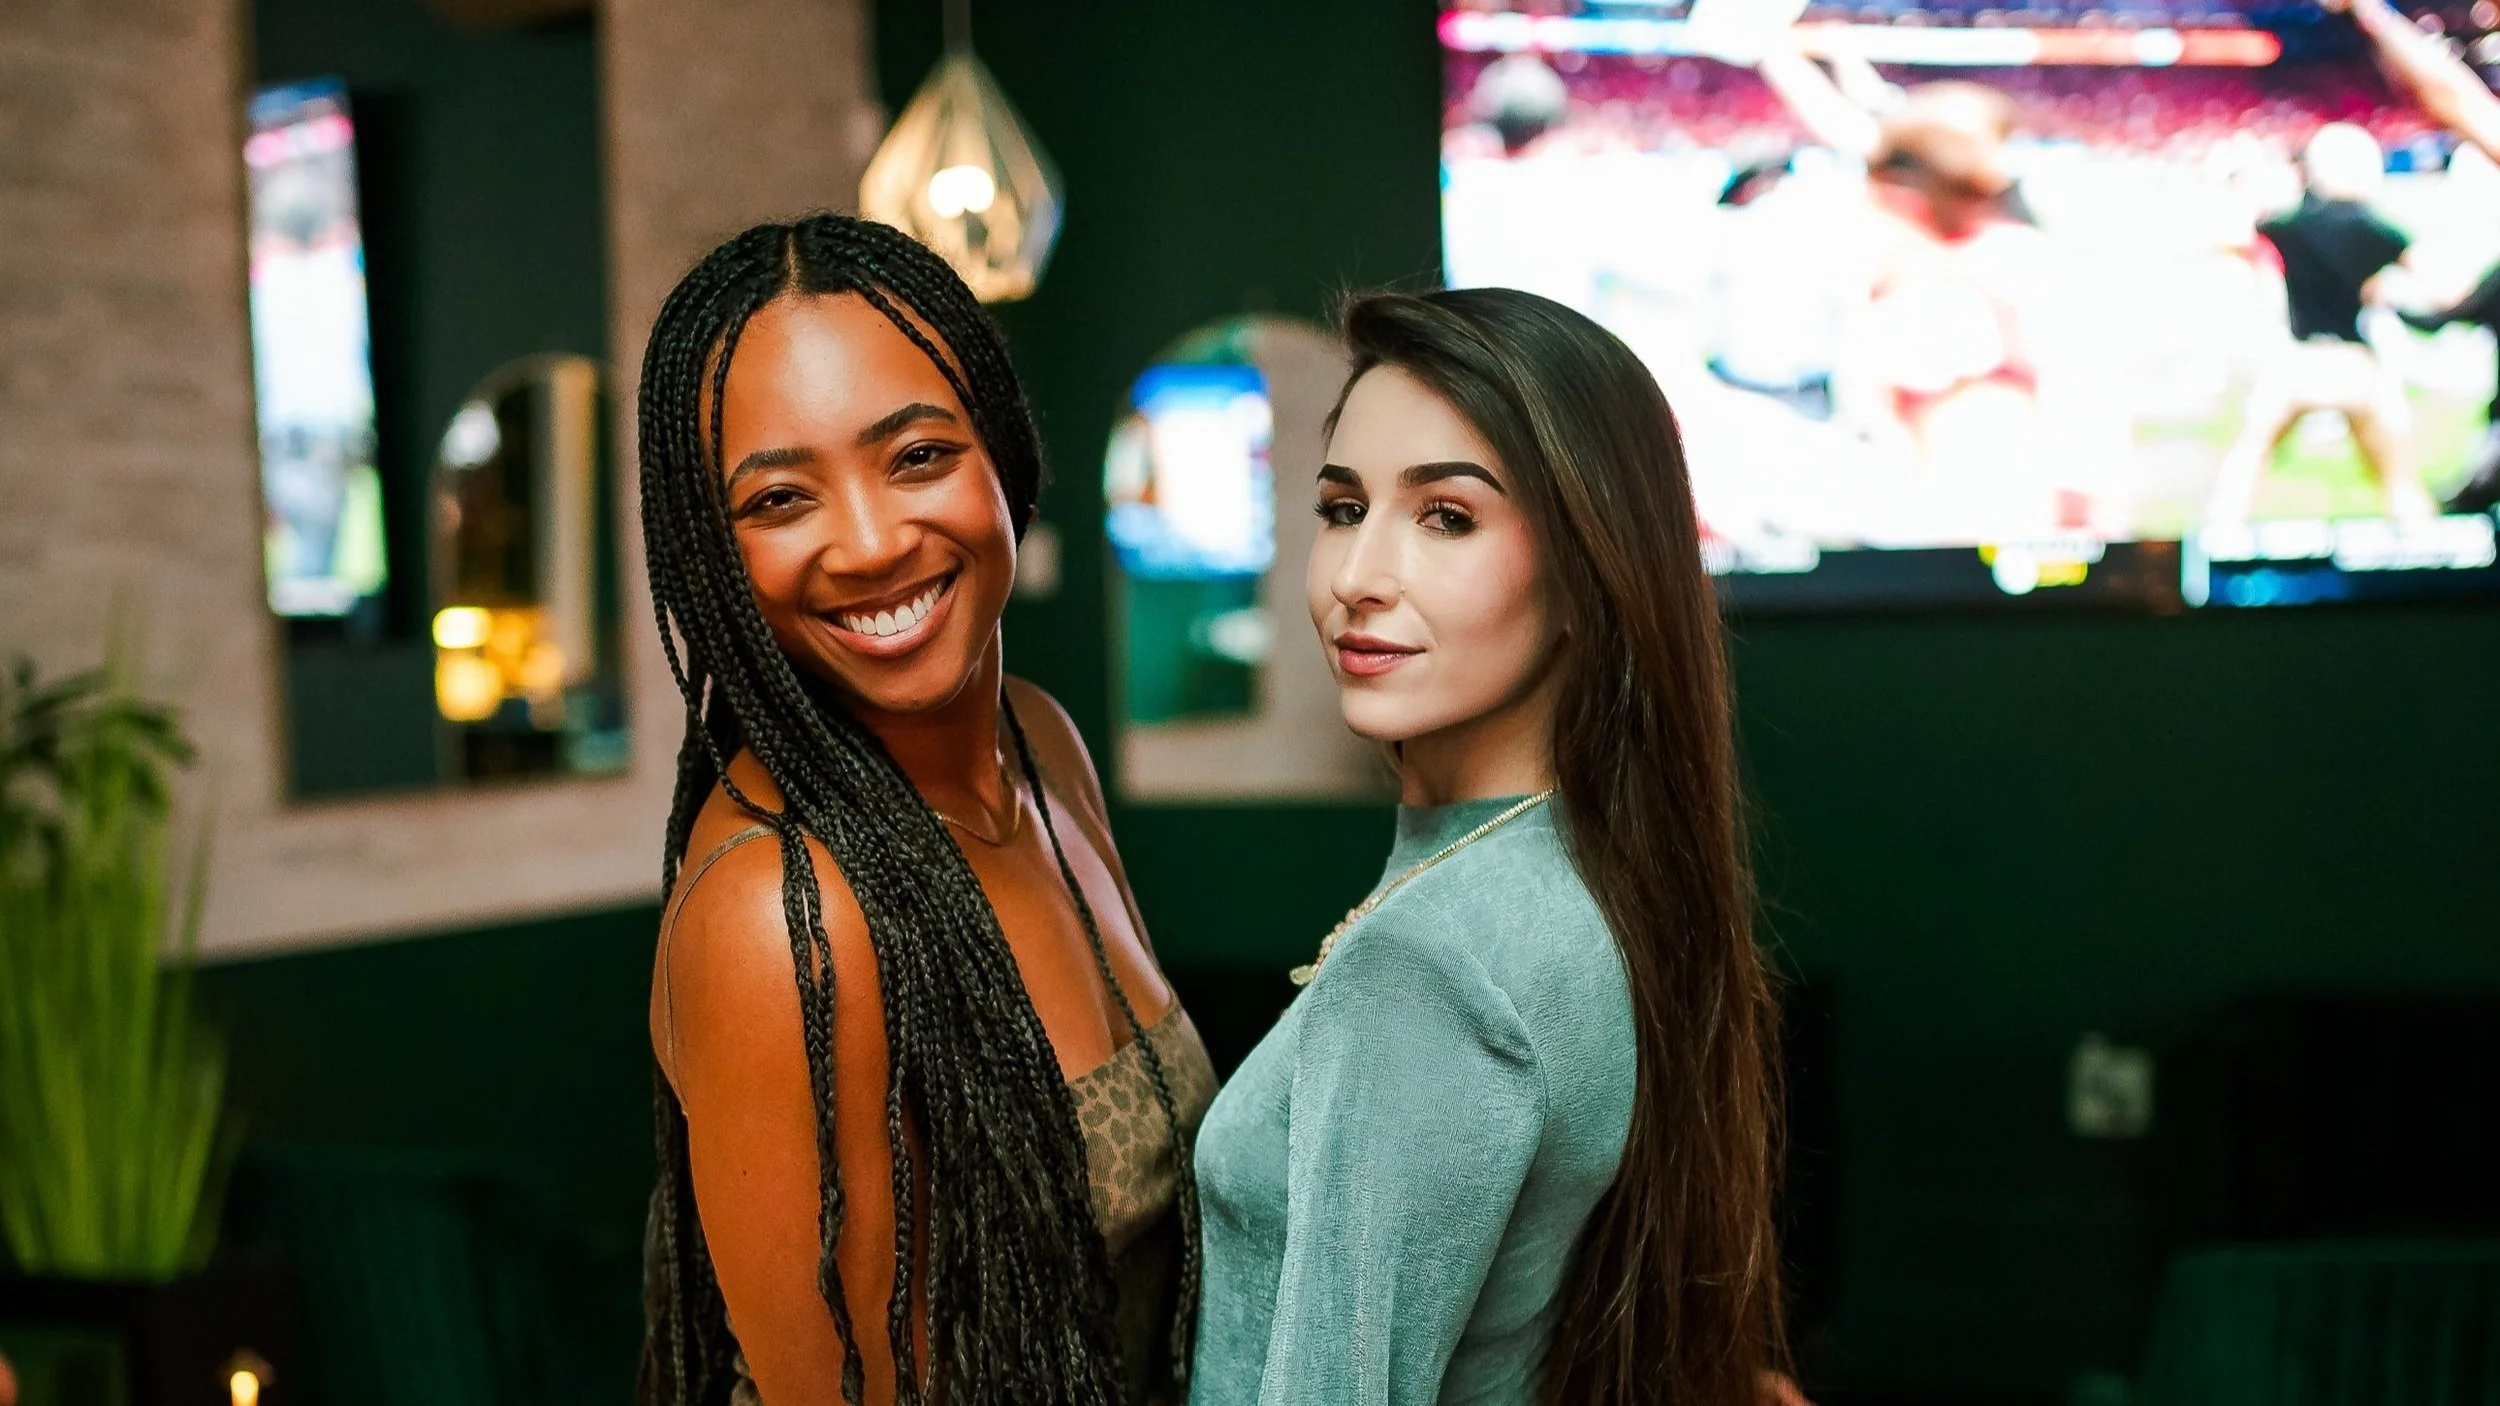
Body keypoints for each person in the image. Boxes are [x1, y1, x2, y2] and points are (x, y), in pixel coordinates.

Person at [636, 214, 1215, 1406]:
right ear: (713, 554)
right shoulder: (778, 913)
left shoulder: (1042, 748)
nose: (870, 540)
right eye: (781, 498)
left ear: (1001, 452)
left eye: (916, 456)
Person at [1192, 288, 1788, 1405]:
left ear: (1585, 570)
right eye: (1340, 507)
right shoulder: (1596, 879)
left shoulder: (1432, 964)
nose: (1357, 575)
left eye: (1446, 517)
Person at [2206, 123, 2436, 525]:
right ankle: (2430, 557)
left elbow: (2230, 239)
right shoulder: (2378, 228)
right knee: (2397, 477)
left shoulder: (2288, 223)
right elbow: (2437, 283)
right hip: (2357, 364)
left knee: (2250, 458)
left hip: (2299, 362)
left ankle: (2215, 546)